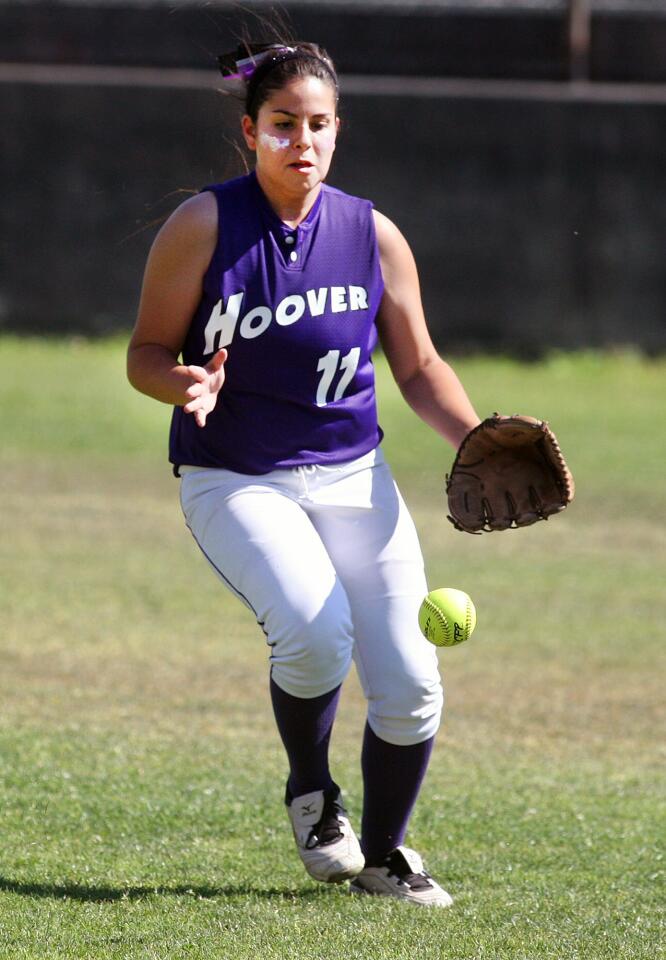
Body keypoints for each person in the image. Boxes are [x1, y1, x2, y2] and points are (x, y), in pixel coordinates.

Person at [127, 41, 481, 907]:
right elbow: (144, 353)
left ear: (336, 132)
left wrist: (477, 437)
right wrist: (182, 381)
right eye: (283, 125)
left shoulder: (371, 233)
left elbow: (421, 365)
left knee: (409, 680)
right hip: (235, 475)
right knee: (317, 631)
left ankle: (387, 857)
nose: (303, 142)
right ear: (251, 132)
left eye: (319, 126)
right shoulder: (205, 224)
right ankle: (313, 793)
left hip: (351, 474)